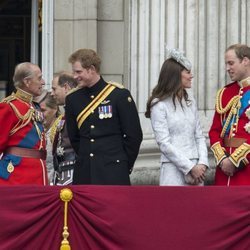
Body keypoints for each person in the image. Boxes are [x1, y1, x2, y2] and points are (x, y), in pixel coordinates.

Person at [65, 48, 143, 185]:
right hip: (85, 172)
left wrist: (123, 164)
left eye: (78, 72)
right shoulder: (73, 99)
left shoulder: (119, 95)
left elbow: (134, 135)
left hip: (113, 171)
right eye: (74, 72)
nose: (75, 76)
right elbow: (75, 138)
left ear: (92, 69)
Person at [145, 48, 209, 186]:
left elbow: (199, 136)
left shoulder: (190, 101)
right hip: (172, 170)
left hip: (197, 170)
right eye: (187, 72)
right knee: (173, 207)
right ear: (175, 75)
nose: (191, 76)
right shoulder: (159, 104)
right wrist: (190, 167)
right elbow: (164, 143)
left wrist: (202, 163)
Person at [0, 62, 48, 185]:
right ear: (27, 82)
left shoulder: (34, 106)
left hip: (38, 173)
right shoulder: (9, 107)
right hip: (16, 176)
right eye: (39, 78)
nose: (43, 82)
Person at [209, 44, 250, 186]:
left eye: (231, 63)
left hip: (246, 171)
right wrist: (223, 160)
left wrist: (235, 161)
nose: (227, 68)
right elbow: (214, 131)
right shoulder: (225, 93)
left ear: (245, 61)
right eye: (226, 64)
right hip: (223, 171)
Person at [51, 72, 78, 185]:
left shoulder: (78, 112)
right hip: (61, 172)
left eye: (54, 89)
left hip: (74, 174)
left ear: (66, 88)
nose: (52, 94)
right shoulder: (66, 114)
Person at [39, 91, 60, 184]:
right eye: (37, 110)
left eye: (43, 110)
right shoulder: (35, 131)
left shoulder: (61, 131)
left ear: (55, 109)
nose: (39, 114)